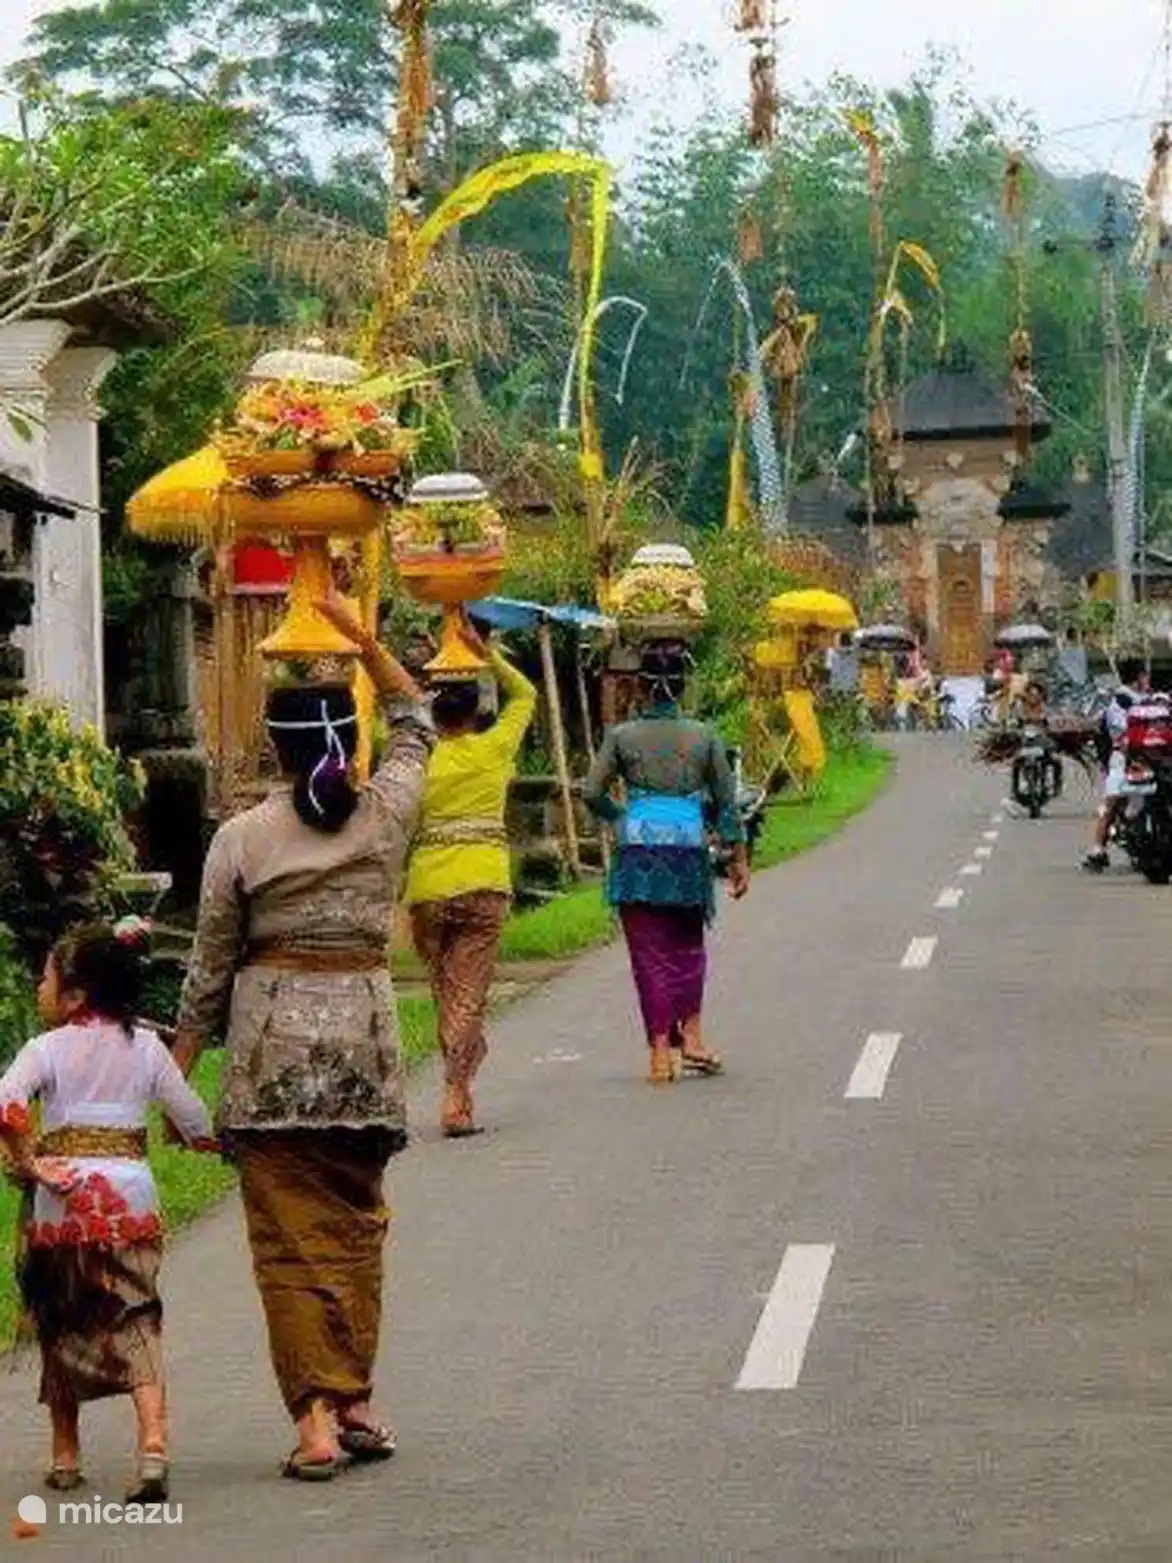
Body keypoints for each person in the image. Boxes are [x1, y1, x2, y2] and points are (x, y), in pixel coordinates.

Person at [171, 593, 433, 1481]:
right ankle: (354, 1394)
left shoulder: (240, 839)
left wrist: (175, 1079)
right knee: (358, 1231)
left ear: (275, 750)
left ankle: (318, 1419)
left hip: (271, 1068)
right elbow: (419, 724)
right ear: (347, 738)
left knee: (288, 1245)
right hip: (363, 1062)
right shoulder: (385, 814)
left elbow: (207, 973)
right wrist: (366, 641)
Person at [0, 921, 215, 1502]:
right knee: (136, 1317)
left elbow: (7, 1104)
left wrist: (30, 1160)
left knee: (59, 1320)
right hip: (130, 1204)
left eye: (46, 977)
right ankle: (152, 1446)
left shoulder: (43, 1049)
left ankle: (65, 1454)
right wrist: (203, 1141)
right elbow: (191, 1115)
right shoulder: (145, 1047)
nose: (39, 987)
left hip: (60, 1206)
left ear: (75, 995)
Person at [583, 640, 750, 1084]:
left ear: (640, 687)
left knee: (648, 954)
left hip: (637, 854)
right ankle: (692, 1036)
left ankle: (660, 1050)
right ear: (682, 686)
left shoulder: (621, 737)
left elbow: (591, 791)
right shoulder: (704, 736)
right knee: (687, 948)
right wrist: (737, 857)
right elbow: (726, 802)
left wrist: (621, 820)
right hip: (688, 853)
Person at [404, 617, 536, 1139]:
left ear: (434, 713)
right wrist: (489, 657)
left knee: (445, 990)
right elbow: (524, 695)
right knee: (468, 993)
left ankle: (458, 1077)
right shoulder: (494, 747)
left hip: (429, 889)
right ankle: (457, 1093)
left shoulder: (416, 758)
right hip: (484, 883)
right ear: (475, 711)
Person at [1084, 657, 1150, 873]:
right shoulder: (1119, 702)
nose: (1147, 679)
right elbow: (1121, 731)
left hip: (1151, 758)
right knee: (1113, 801)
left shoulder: (1151, 699)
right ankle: (1097, 850)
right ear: (1138, 677)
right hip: (1124, 758)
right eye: (1144, 675)